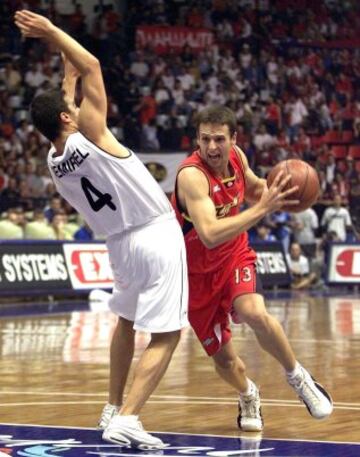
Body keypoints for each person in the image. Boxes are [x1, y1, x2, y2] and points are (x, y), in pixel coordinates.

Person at [14, 10, 188, 449]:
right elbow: (92, 65)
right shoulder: (91, 132)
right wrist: (54, 34)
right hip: (153, 230)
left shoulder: (54, 163)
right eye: (72, 108)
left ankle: (112, 406)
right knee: (167, 333)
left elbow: (60, 111)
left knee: (126, 322)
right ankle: (128, 417)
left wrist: (65, 85)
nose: (77, 108)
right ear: (70, 119)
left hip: (119, 245)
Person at [171, 105, 333, 432]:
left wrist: (285, 193)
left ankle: (298, 377)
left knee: (253, 311)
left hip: (233, 256)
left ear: (234, 138)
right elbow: (210, 233)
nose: (212, 147)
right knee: (226, 361)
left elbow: (257, 187)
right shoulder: (191, 176)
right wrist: (262, 209)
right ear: (197, 140)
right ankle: (248, 393)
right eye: (205, 139)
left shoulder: (237, 158)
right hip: (195, 274)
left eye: (219, 139)